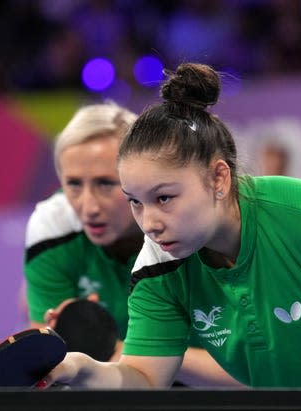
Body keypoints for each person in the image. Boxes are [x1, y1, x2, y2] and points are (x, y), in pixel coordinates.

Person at [40, 64, 301, 411]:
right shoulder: (160, 266)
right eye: (135, 201)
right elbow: (145, 376)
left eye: (165, 197)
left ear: (219, 178)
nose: (149, 221)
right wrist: (83, 369)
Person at [23, 101, 240, 386]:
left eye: (106, 184)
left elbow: (257, 376)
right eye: (73, 184)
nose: (88, 206)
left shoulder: (199, 224)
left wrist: (144, 354)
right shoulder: (52, 229)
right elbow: (53, 371)